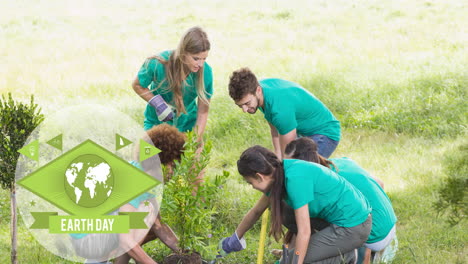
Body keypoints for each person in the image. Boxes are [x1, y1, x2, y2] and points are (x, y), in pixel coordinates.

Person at [219, 145, 372, 264]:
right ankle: (336, 251)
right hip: (337, 220)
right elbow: (256, 211)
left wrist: (295, 261)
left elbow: (304, 231)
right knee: (284, 213)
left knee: (291, 260)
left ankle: (345, 254)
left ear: (259, 176)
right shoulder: (277, 174)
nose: (251, 186)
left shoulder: (295, 180)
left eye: (250, 182)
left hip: (353, 226)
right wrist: (236, 237)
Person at [285, 138, 398, 264]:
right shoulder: (341, 162)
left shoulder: (323, 184)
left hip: (370, 234)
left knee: (307, 216)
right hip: (390, 225)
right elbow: (380, 183)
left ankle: (355, 255)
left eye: (290, 166)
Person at [228, 68, 340, 159]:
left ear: (258, 91)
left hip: (324, 133)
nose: (244, 109)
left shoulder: (279, 109)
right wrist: (278, 155)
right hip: (303, 131)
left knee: (301, 171)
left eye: (247, 103)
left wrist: (283, 163)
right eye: (240, 105)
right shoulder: (260, 94)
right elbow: (275, 129)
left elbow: (288, 155)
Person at [114, 124, 187, 264]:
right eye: (174, 164)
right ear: (165, 161)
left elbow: (158, 226)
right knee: (145, 214)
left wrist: (186, 253)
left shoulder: (150, 177)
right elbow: (125, 240)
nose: (175, 171)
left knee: (150, 218)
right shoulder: (135, 181)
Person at [132, 26, 213, 142]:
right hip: (157, 124)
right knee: (147, 159)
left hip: (187, 126)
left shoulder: (206, 73)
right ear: (183, 52)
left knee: (187, 160)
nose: (200, 64)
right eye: (196, 59)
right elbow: (137, 85)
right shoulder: (158, 63)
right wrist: (158, 104)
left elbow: (203, 111)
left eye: (204, 59)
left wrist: (196, 138)